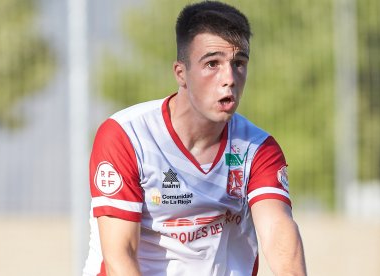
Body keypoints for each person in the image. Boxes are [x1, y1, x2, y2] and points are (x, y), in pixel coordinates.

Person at [83, 1, 306, 275]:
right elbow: (120, 256)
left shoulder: (257, 148)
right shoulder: (127, 135)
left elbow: (278, 234)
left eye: (239, 63)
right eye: (212, 63)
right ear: (181, 73)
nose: (230, 78)